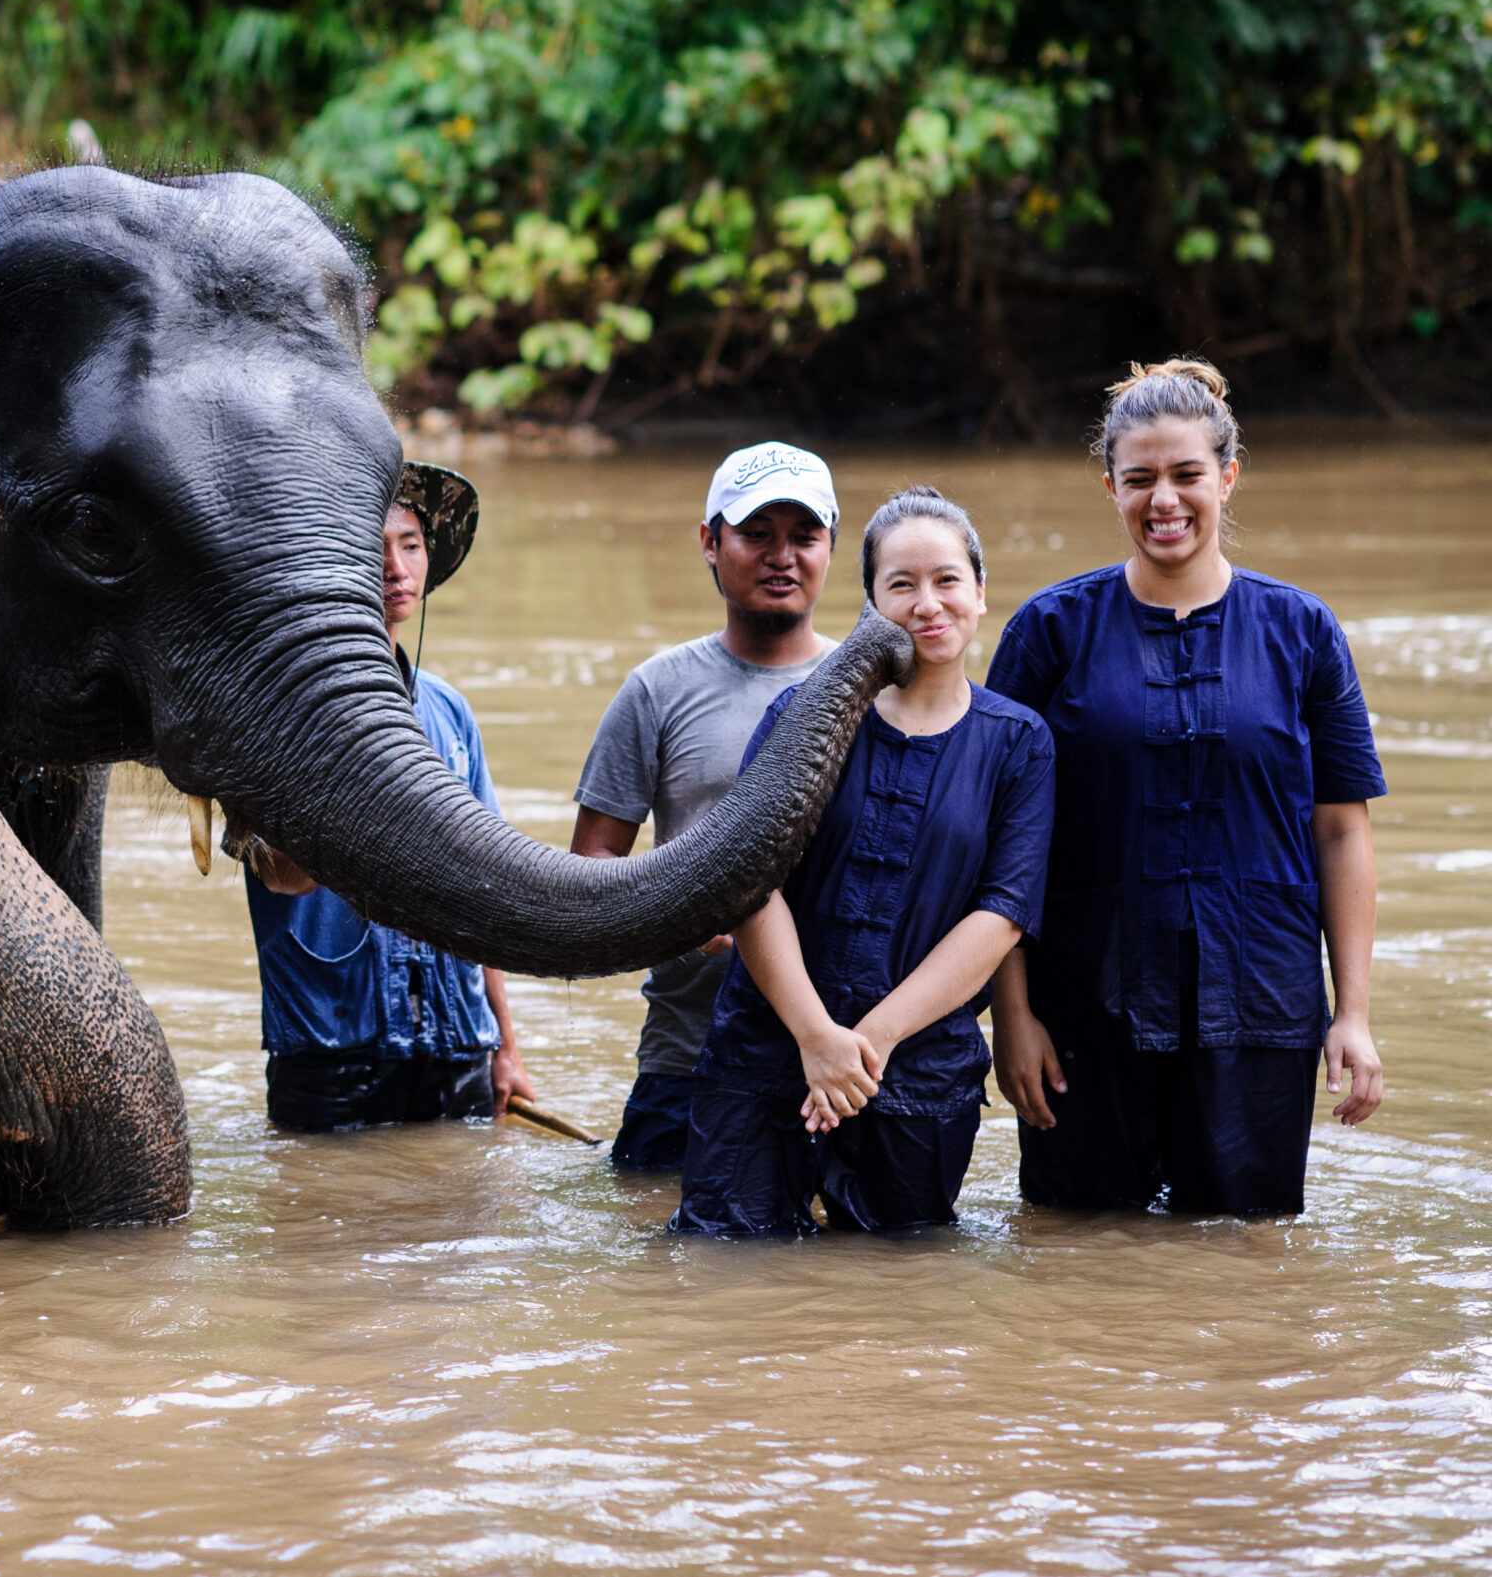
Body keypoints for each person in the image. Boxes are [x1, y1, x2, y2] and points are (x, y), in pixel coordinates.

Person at [985, 360, 1386, 1216]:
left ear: (1227, 475)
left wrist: (1350, 1013)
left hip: (1259, 1008)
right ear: (1110, 486)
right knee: (1075, 1258)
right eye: (1140, 479)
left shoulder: (1303, 631)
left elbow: (1342, 832)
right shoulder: (1049, 632)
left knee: (1246, 1264)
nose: (1163, 500)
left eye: (1186, 475)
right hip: (1085, 1010)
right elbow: (1001, 841)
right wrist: (1011, 1017)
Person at [672, 489, 1055, 1235]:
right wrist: (817, 1037)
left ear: (981, 591)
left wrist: (864, 1045)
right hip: (767, 1052)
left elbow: (1001, 914)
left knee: (895, 1306)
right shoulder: (805, 715)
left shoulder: (1019, 743)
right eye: (901, 585)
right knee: (725, 1281)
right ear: (872, 606)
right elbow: (752, 882)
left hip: (915, 1073)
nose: (928, 604)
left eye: (947, 580)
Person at [239, 467, 535, 1131]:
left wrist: (505, 1048)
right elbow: (276, 873)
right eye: (372, 547)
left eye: (410, 544)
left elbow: (483, 888)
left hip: (457, 1041)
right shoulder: (275, 709)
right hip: (329, 1050)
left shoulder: (450, 712)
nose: (396, 567)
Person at [571, 442, 840, 1172]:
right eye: (756, 534)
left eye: (804, 536)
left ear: (831, 549)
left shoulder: (867, 693)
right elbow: (590, 866)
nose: (781, 555)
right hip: (687, 1053)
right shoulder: (656, 690)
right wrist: (683, 909)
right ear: (710, 543)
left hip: (837, 1056)